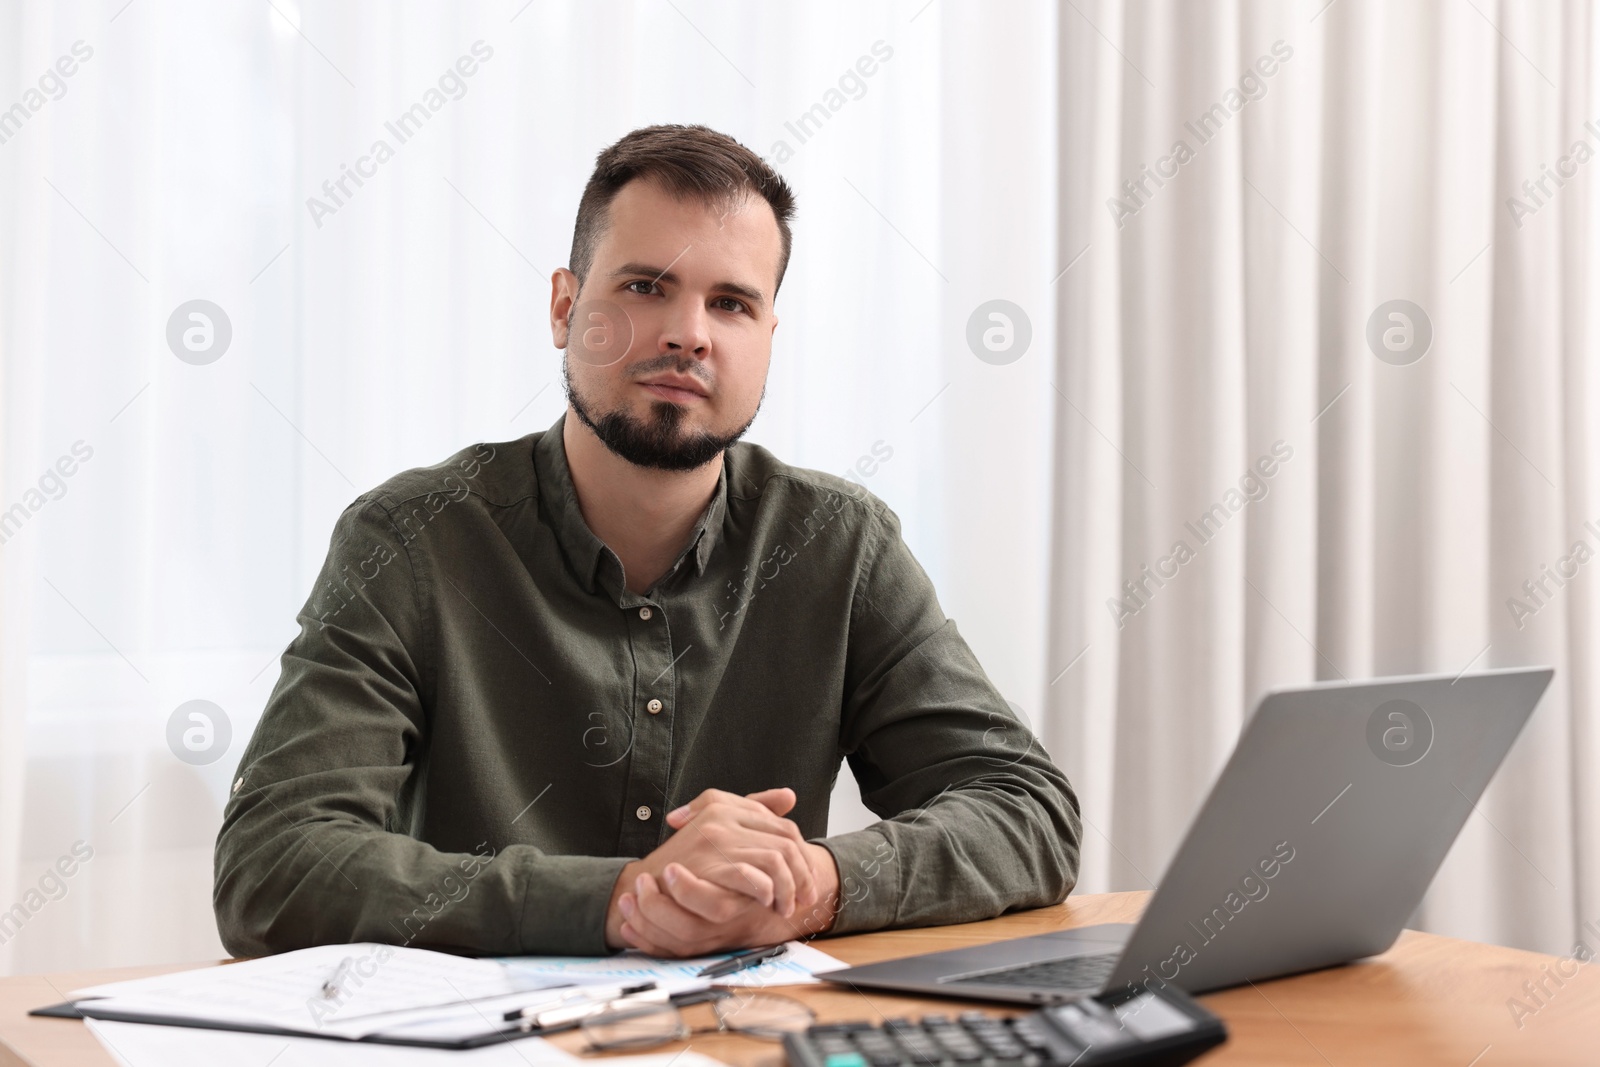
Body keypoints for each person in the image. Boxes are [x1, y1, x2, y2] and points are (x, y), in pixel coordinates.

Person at [213, 123, 1082, 959]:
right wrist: (621, 900)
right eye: (644, 287)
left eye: (732, 303)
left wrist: (811, 881)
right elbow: (274, 862)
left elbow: (1027, 810)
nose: (688, 333)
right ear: (565, 307)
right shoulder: (411, 539)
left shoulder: (840, 545)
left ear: (768, 338)